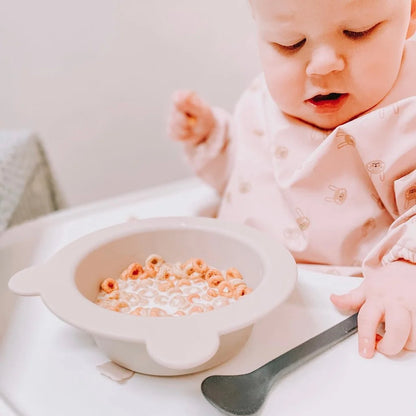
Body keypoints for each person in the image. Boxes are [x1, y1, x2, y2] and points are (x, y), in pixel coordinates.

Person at [167, 0, 416, 359]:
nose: (323, 64)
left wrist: (405, 270)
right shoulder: (263, 99)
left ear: (410, 14)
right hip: (230, 296)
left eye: (357, 33)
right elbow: (248, 185)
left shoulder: (404, 116)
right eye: (289, 43)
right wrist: (212, 138)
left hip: (336, 321)